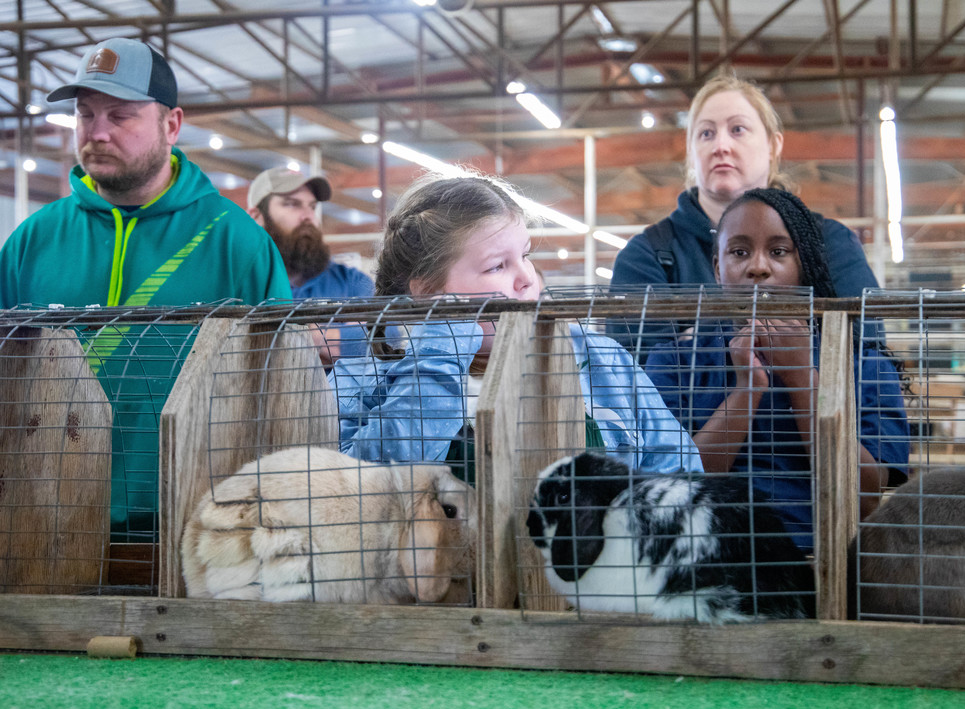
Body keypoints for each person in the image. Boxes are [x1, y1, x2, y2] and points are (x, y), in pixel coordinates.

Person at [0, 38, 292, 543]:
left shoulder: (236, 242)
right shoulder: (34, 239)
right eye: (85, 114)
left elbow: (284, 391)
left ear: (171, 125)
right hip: (43, 522)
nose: (98, 132)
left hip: (192, 524)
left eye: (121, 115)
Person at [327, 175, 703, 477]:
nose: (527, 279)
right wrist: (442, 347)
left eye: (525, 255)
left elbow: (681, 476)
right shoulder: (360, 383)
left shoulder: (599, 360)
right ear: (427, 293)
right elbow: (360, 500)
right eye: (497, 266)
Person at [644, 188, 909, 552]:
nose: (758, 266)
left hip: (821, 562)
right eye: (739, 252)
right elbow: (670, 489)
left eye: (779, 251)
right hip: (702, 565)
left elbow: (863, 498)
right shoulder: (673, 361)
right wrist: (746, 391)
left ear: (805, 265)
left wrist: (801, 376)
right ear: (718, 268)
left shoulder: (865, 364)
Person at [609, 73, 879, 359]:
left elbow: (866, 351)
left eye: (738, 129)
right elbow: (638, 375)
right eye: (706, 133)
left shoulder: (831, 242)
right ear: (692, 152)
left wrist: (693, 340)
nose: (720, 146)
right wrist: (794, 336)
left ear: (774, 145)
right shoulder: (647, 256)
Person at [247, 166, 375, 363]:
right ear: (256, 217)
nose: (308, 216)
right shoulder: (243, 284)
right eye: (292, 204)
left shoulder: (350, 281)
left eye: (312, 206)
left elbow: (387, 334)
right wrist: (340, 336)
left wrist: (302, 335)